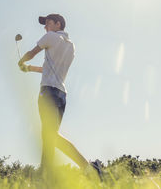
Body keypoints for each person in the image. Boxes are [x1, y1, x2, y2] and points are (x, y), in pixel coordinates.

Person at [17, 13, 103, 180]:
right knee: (49, 137)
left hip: (48, 91)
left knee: (50, 134)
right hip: (61, 95)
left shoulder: (50, 37)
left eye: (47, 22)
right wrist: (28, 69)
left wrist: (21, 62)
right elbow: (46, 69)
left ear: (58, 24)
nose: (45, 27)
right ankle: (45, 176)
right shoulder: (71, 46)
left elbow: (32, 52)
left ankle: (89, 168)